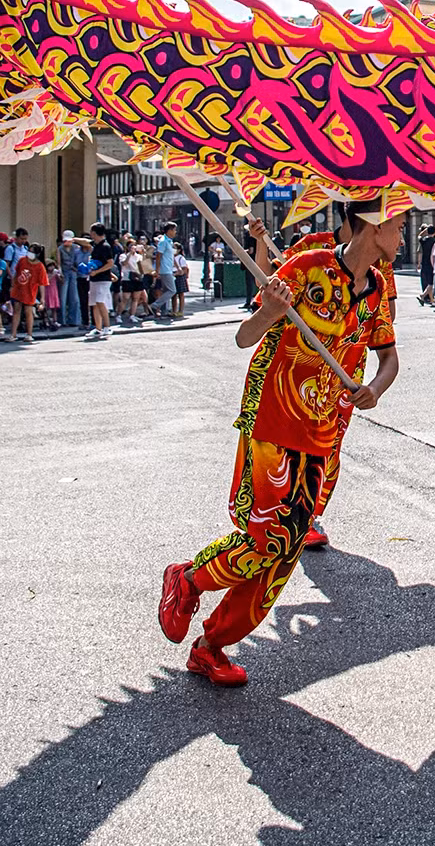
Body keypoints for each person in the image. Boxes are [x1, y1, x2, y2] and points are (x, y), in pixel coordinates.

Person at [156, 201, 403, 686]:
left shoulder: (379, 290)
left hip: (321, 428)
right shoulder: (309, 267)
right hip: (272, 420)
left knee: (286, 549)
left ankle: (211, 646)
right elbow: (245, 337)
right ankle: (187, 579)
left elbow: (389, 358)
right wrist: (270, 310)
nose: (402, 232)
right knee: (266, 537)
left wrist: (374, 388)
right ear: (373, 225)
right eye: (397, 223)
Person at [7, 244, 48, 343]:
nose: (29, 253)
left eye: (32, 251)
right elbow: (16, 274)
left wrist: (42, 298)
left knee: (28, 312)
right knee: (16, 311)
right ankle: (13, 334)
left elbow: (42, 283)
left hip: (30, 291)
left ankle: (29, 334)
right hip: (18, 289)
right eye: (29, 250)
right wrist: (12, 285)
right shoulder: (22, 261)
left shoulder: (40, 266)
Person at [84, 223, 118, 341]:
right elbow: (85, 242)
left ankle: (107, 326)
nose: (91, 235)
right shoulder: (96, 245)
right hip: (94, 279)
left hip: (103, 279)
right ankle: (98, 328)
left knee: (100, 301)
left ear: (95, 233)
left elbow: (110, 263)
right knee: (94, 303)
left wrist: (98, 271)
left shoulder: (105, 246)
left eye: (92, 233)